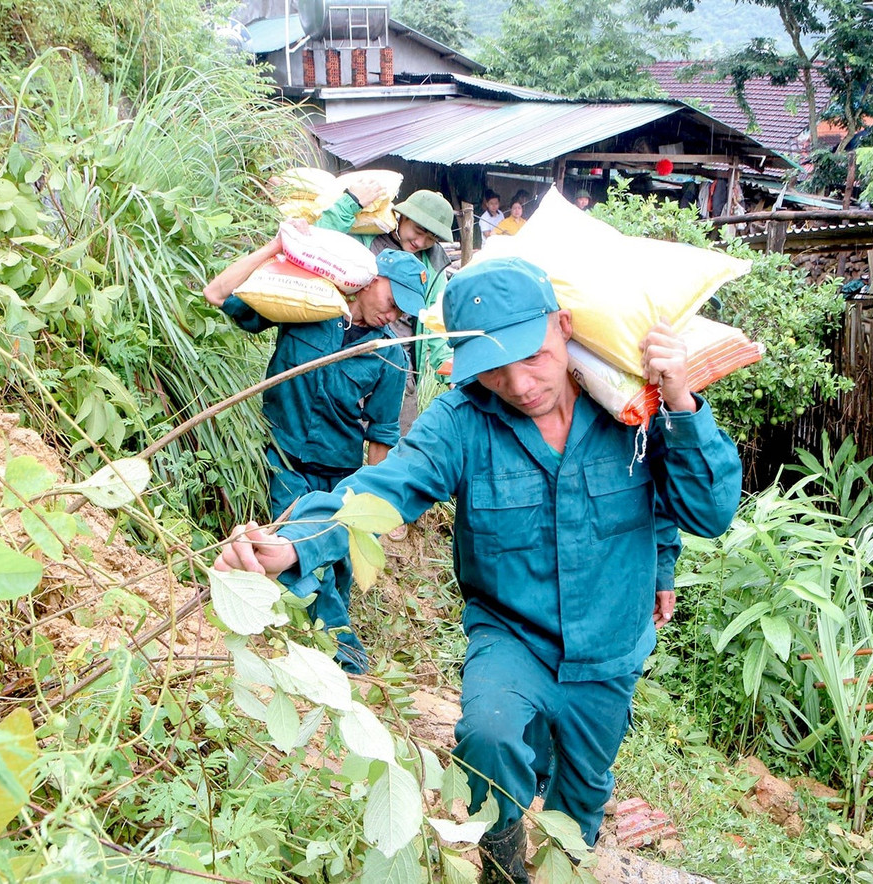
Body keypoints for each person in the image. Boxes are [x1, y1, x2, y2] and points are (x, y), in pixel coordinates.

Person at [213, 257, 743, 880]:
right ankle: (500, 866)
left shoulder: (634, 409)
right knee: (491, 738)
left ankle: (565, 865)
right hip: (511, 634)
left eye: (533, 357)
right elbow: (390, 484)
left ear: (564, 326)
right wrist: (298, 542)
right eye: (493, 367)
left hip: (610, 645)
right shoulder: (462, 422)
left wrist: (680, 401)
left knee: (582, 794)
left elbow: (702, 512)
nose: (519, 385)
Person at [203, 237, 428, 674]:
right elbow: (217, 295)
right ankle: (346, 660)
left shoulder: (388, 356)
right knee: (304, 553)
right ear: (369, 279)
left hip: (341, 476)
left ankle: (309, 647)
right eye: (392, 298)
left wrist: (369, 515)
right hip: (286, 461)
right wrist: (275, 247)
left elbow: (381, 437)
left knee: (336, 571)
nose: (394, 313)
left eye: (404, 310)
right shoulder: (307, 306)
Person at [318, 183, 456, 422]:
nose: (421, 242)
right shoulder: (368, 239)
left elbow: (434, 321)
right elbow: (320, 240)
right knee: (342, 435)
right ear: (402, 217)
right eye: (418, 230)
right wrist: (350, 203)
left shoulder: (434, 268)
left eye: (431, 238)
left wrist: (449, 371)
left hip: (401, 365)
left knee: (396, 444)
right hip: (350, 351)